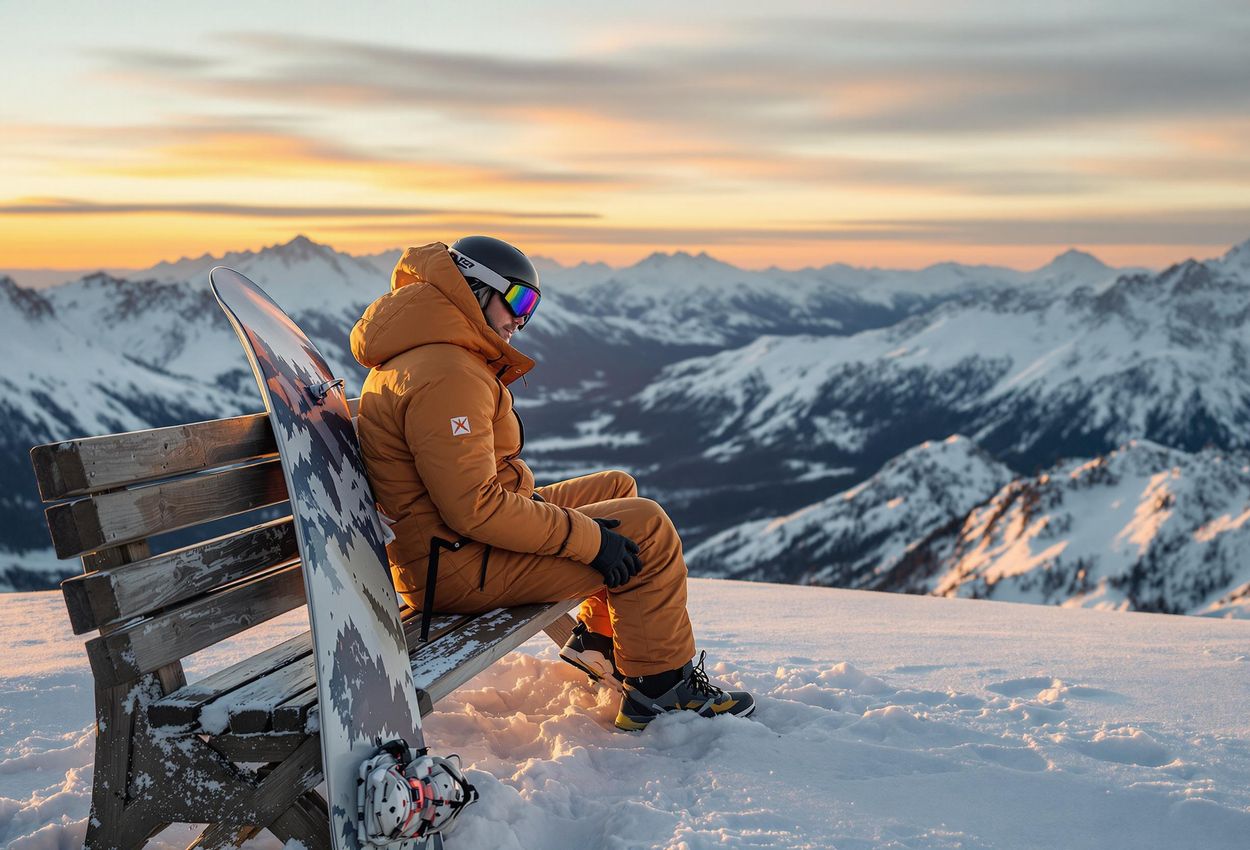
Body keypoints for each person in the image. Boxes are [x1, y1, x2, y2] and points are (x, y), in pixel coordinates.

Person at [349, 236, 754, 730]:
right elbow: (473, 508)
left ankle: (599, 643)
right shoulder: (446, 373)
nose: (523, 318)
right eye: (518, 300)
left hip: (449, 548)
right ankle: (662, 688)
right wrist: (590, 540)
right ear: (473, 289)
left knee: (616, 486)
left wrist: (578, 530)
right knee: (645, 529)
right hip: (456, 566)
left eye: (532, 305)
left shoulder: (430, 356)